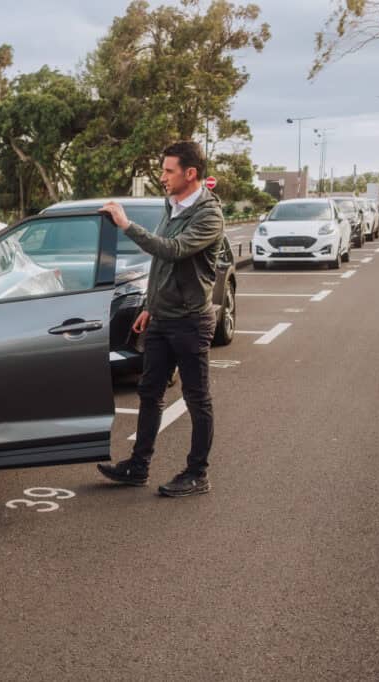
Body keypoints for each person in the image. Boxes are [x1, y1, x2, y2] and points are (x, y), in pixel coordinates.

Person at [97, 141, 224, 497]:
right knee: (149, 393)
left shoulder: (209, 215)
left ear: (190, 173)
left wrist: (126, 224)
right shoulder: (172, 204)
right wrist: (150, 307)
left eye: (169, 171)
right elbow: (162, 265)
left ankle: (198, 473)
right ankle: (139, 466)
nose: (162, 176)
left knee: (197, 398)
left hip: (190, 321)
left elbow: (174, 250)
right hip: (162, 319)